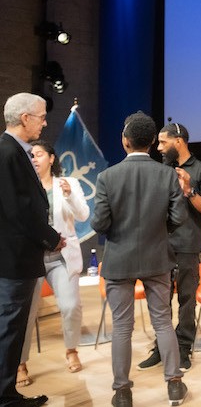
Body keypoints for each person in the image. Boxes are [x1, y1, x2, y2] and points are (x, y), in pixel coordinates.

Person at [91, 111, 189, 407]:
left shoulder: (106, 177)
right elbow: (178, 218)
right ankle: (174, 384)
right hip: (158, 257)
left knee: (122, 327)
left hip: (119, 259)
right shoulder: (166, 175)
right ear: (150, 143)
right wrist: (158, 232)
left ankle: (122, 392)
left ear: (125, 141)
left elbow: (99, 224)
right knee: (162, 322)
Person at [0, 92, 65, 407]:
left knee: (11, 327)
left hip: (16, 256)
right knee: (10, 328)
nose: (45, 121)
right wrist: (52, 238)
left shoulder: (12, 151)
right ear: (25, 118)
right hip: (15, 259)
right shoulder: (9, 153)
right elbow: (20, 210)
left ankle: (7, 392)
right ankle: (5, 396)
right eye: (41, 116)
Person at [138, 122, 201, 372]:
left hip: (187, 245)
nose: (159, 147)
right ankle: (161, 347)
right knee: (159, 300)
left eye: (163, 142)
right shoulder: (160, 170)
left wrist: (189, 190)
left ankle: (184, 348)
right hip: (159, 244)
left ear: (179, 141)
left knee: (186, 299)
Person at [17, 140, 90, 387]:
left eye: (38, 154)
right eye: (31, 156)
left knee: (70, 306)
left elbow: (83, 215)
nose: (34, 159)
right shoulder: (23, 186)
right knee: (25, 314)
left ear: (51, 158)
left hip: (61, 256)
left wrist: (69, 195)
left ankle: (71, 350)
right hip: (31, 257)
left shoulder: (67, 183)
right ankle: (20, 362)